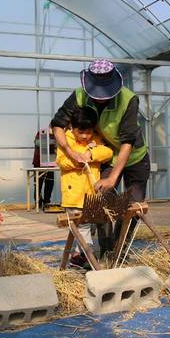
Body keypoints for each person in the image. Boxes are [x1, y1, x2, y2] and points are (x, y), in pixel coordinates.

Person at [51, 59, 149, 255]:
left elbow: (127, 142)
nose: (101, 98)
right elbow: (57, 124)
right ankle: (105, 249)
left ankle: (120, 248)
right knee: (101, 200)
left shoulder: (129, 99)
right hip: (107, 155)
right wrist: (71, 152)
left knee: (132, 206)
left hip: (134, 157)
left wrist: (113, 178)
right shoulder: (79, 95)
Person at [56, 107, 113, 269]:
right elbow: (60, 161)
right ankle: (90, 257)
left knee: (85, 227)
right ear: (72, 128)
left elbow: (107, 152)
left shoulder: (95, 139)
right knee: (83, 227)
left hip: (91, 194)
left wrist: (92, 154)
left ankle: (77, 256)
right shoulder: (65, 140)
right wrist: (76, 161)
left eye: (88, 132)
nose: (84, 136)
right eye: (80, 132)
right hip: (73, 195)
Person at [32, 128, 55, 210]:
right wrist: (53, 141)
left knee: (49, 183)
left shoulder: (59, 134)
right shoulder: (42, 132)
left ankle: (46, 202)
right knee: (38, 184)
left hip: (50, 163)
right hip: (39, 163)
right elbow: (37, 142)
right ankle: (38, 202)